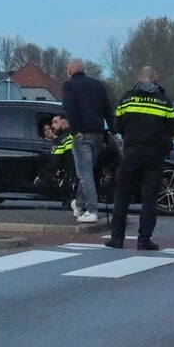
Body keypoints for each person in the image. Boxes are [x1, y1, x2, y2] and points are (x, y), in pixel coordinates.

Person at [107, 66, 174, 250]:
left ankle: (117, 238)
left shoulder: (127, 99)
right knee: (149, 198)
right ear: (155, 79)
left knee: (122, 194)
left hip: (131, 153)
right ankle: (144, 239)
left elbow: (117, 126)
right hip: (154, 156)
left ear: (139, 78)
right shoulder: (164, 102)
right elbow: (173, 130)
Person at [59, 58, 115, 224]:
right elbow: (107, 109)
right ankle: (80, 203)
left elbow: (70, 108)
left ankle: (92, 209)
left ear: (70, 71)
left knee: (84, 174)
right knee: (88, 171)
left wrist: (75, 130)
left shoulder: (68, 86)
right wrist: (112, 130)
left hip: (81, 134)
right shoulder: (98, 85)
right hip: (98, 133)